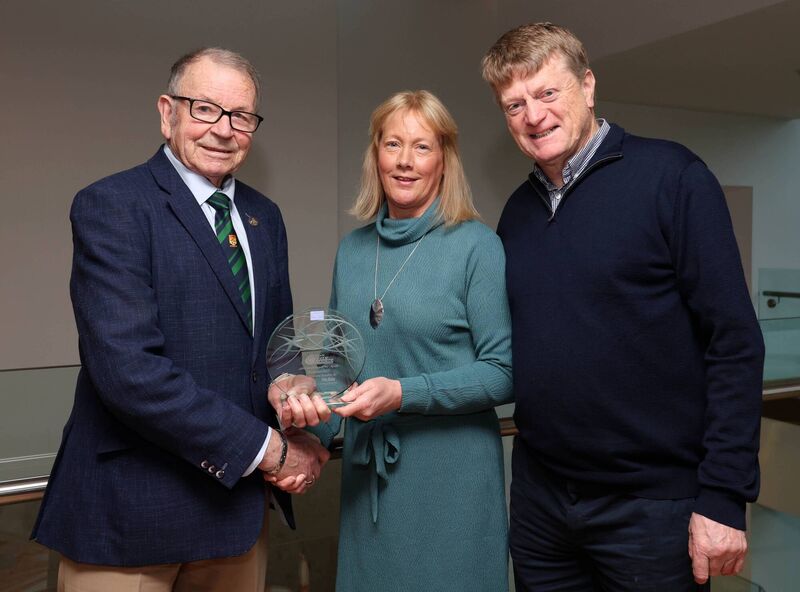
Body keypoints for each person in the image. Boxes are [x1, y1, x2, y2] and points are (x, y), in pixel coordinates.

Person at [31, 47, 330, 592]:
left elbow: (277, 342)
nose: (223, 129)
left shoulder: (265, 218)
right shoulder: (113, 205)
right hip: (134, 514)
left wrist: (290, 384)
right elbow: (129, 373)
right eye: (204, 109)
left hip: (235, 514)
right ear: (167, 112)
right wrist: (271, 452)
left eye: (241, 116)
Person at [481, 22, 765, 591]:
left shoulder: (673, 178)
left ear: (587, 86)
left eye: (547, 93)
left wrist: (725, 496)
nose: (533, 116)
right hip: (542, 504)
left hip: (653, 508)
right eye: (514, 104)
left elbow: (734, 343)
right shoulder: (517, 214)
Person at [271, 90, 513, 591]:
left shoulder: (477, 247)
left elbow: (502, 372)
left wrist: (402, 393)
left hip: (453, 485)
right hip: (369, 485)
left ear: (444, 160)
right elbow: (338, 366)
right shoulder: (354, 250)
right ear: (375, 153)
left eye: (422, 147)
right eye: (393, 144)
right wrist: (308, 439)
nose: (405, 161)